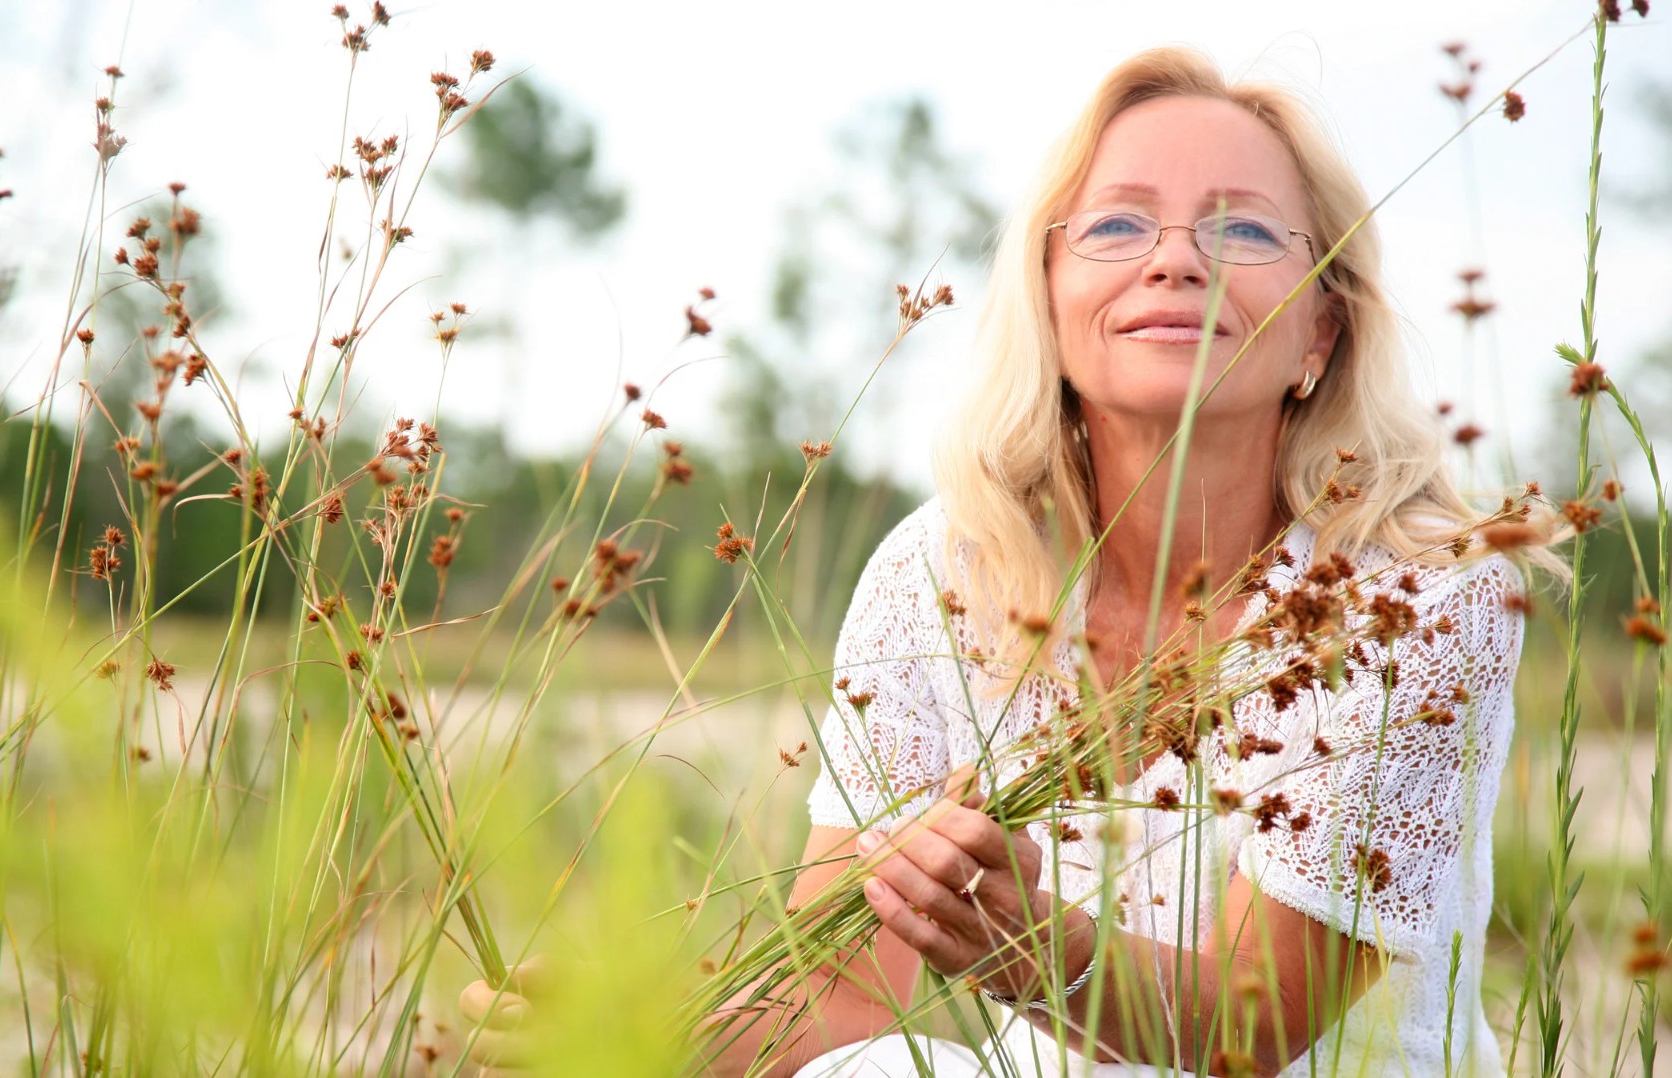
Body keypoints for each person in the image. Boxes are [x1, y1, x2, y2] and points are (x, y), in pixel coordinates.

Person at [462, 45, 1540, 1077]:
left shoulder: (1419, 596)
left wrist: (1036, 949)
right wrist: (632, 1038)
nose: (1177, 259)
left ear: (1321, 331)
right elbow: (842, 999)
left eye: (1245, 230)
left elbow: (1252, 1031)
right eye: (1117, 224)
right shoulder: (945, 570)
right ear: (1048, 300)